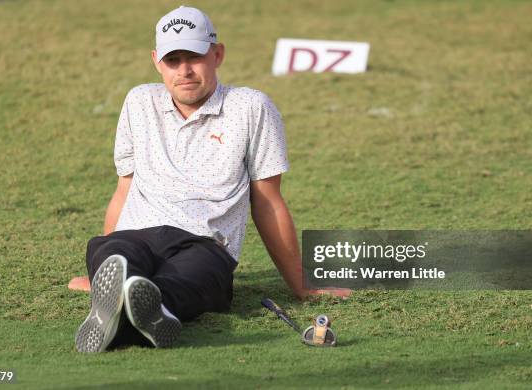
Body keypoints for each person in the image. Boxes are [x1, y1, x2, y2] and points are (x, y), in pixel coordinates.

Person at [74, 5, 349, 353]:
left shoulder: (252, 107)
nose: (184, 71)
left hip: (203, 244)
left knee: (191, 279)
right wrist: (99, 273)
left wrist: (301, 285)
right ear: (157, 61)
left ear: (217, 54)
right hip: (136, 235)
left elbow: (268, 201)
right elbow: (124, 189)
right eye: (173, 60)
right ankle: (120, 297)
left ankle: (132, 307)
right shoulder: (138, 101)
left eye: (195, 56)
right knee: (113, 250)